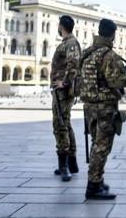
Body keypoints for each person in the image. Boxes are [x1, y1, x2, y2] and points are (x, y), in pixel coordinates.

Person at [80, 18, 126, 200]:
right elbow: (115, 81)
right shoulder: (108, 55)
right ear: (113, 34)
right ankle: (93, 186)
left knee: (96, 144)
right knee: (102, 146)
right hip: (104, 107)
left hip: (89, 106)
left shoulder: (88, 53)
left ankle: (97, 180)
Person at [50, 15, 81, 182]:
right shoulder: (67, 43)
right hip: (60, 91)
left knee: (60, 124)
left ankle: (64, 167)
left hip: (63, 92)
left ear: (61, 26)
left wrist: (65, 82)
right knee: (66, 123)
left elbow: (74, 64)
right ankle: (72, 163)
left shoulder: (70, 43)